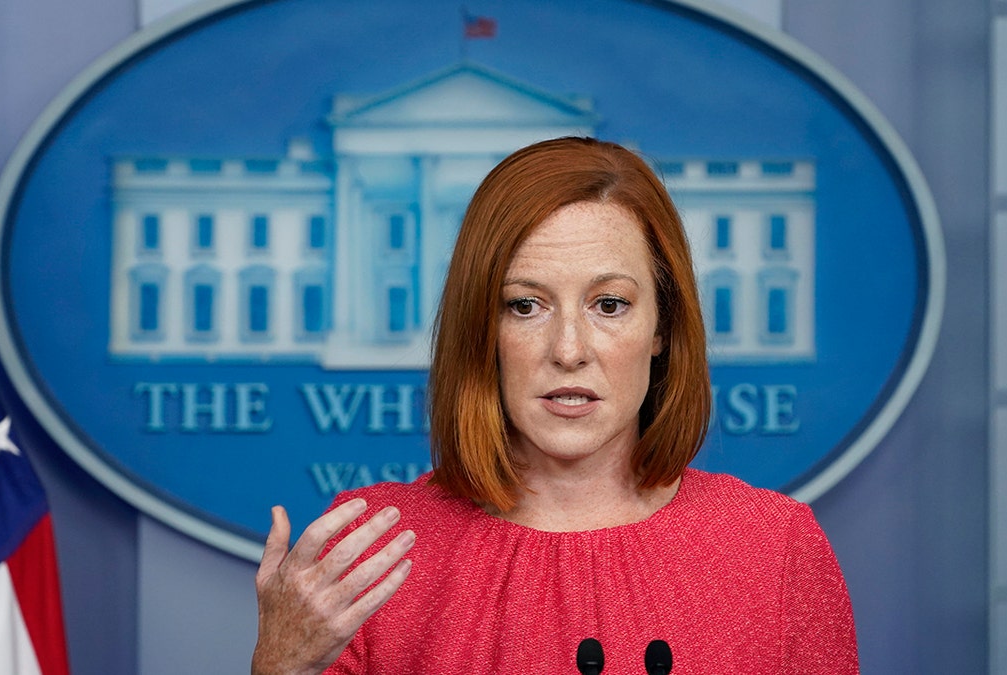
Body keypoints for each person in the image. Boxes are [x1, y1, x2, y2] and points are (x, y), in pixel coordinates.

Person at [251, 137, 859, 674]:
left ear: (662, 328)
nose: (569, 350)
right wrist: (279, 669)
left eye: (610, 305)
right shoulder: (372, 551)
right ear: (480, 330)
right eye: (525, 305)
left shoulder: (774, 548)